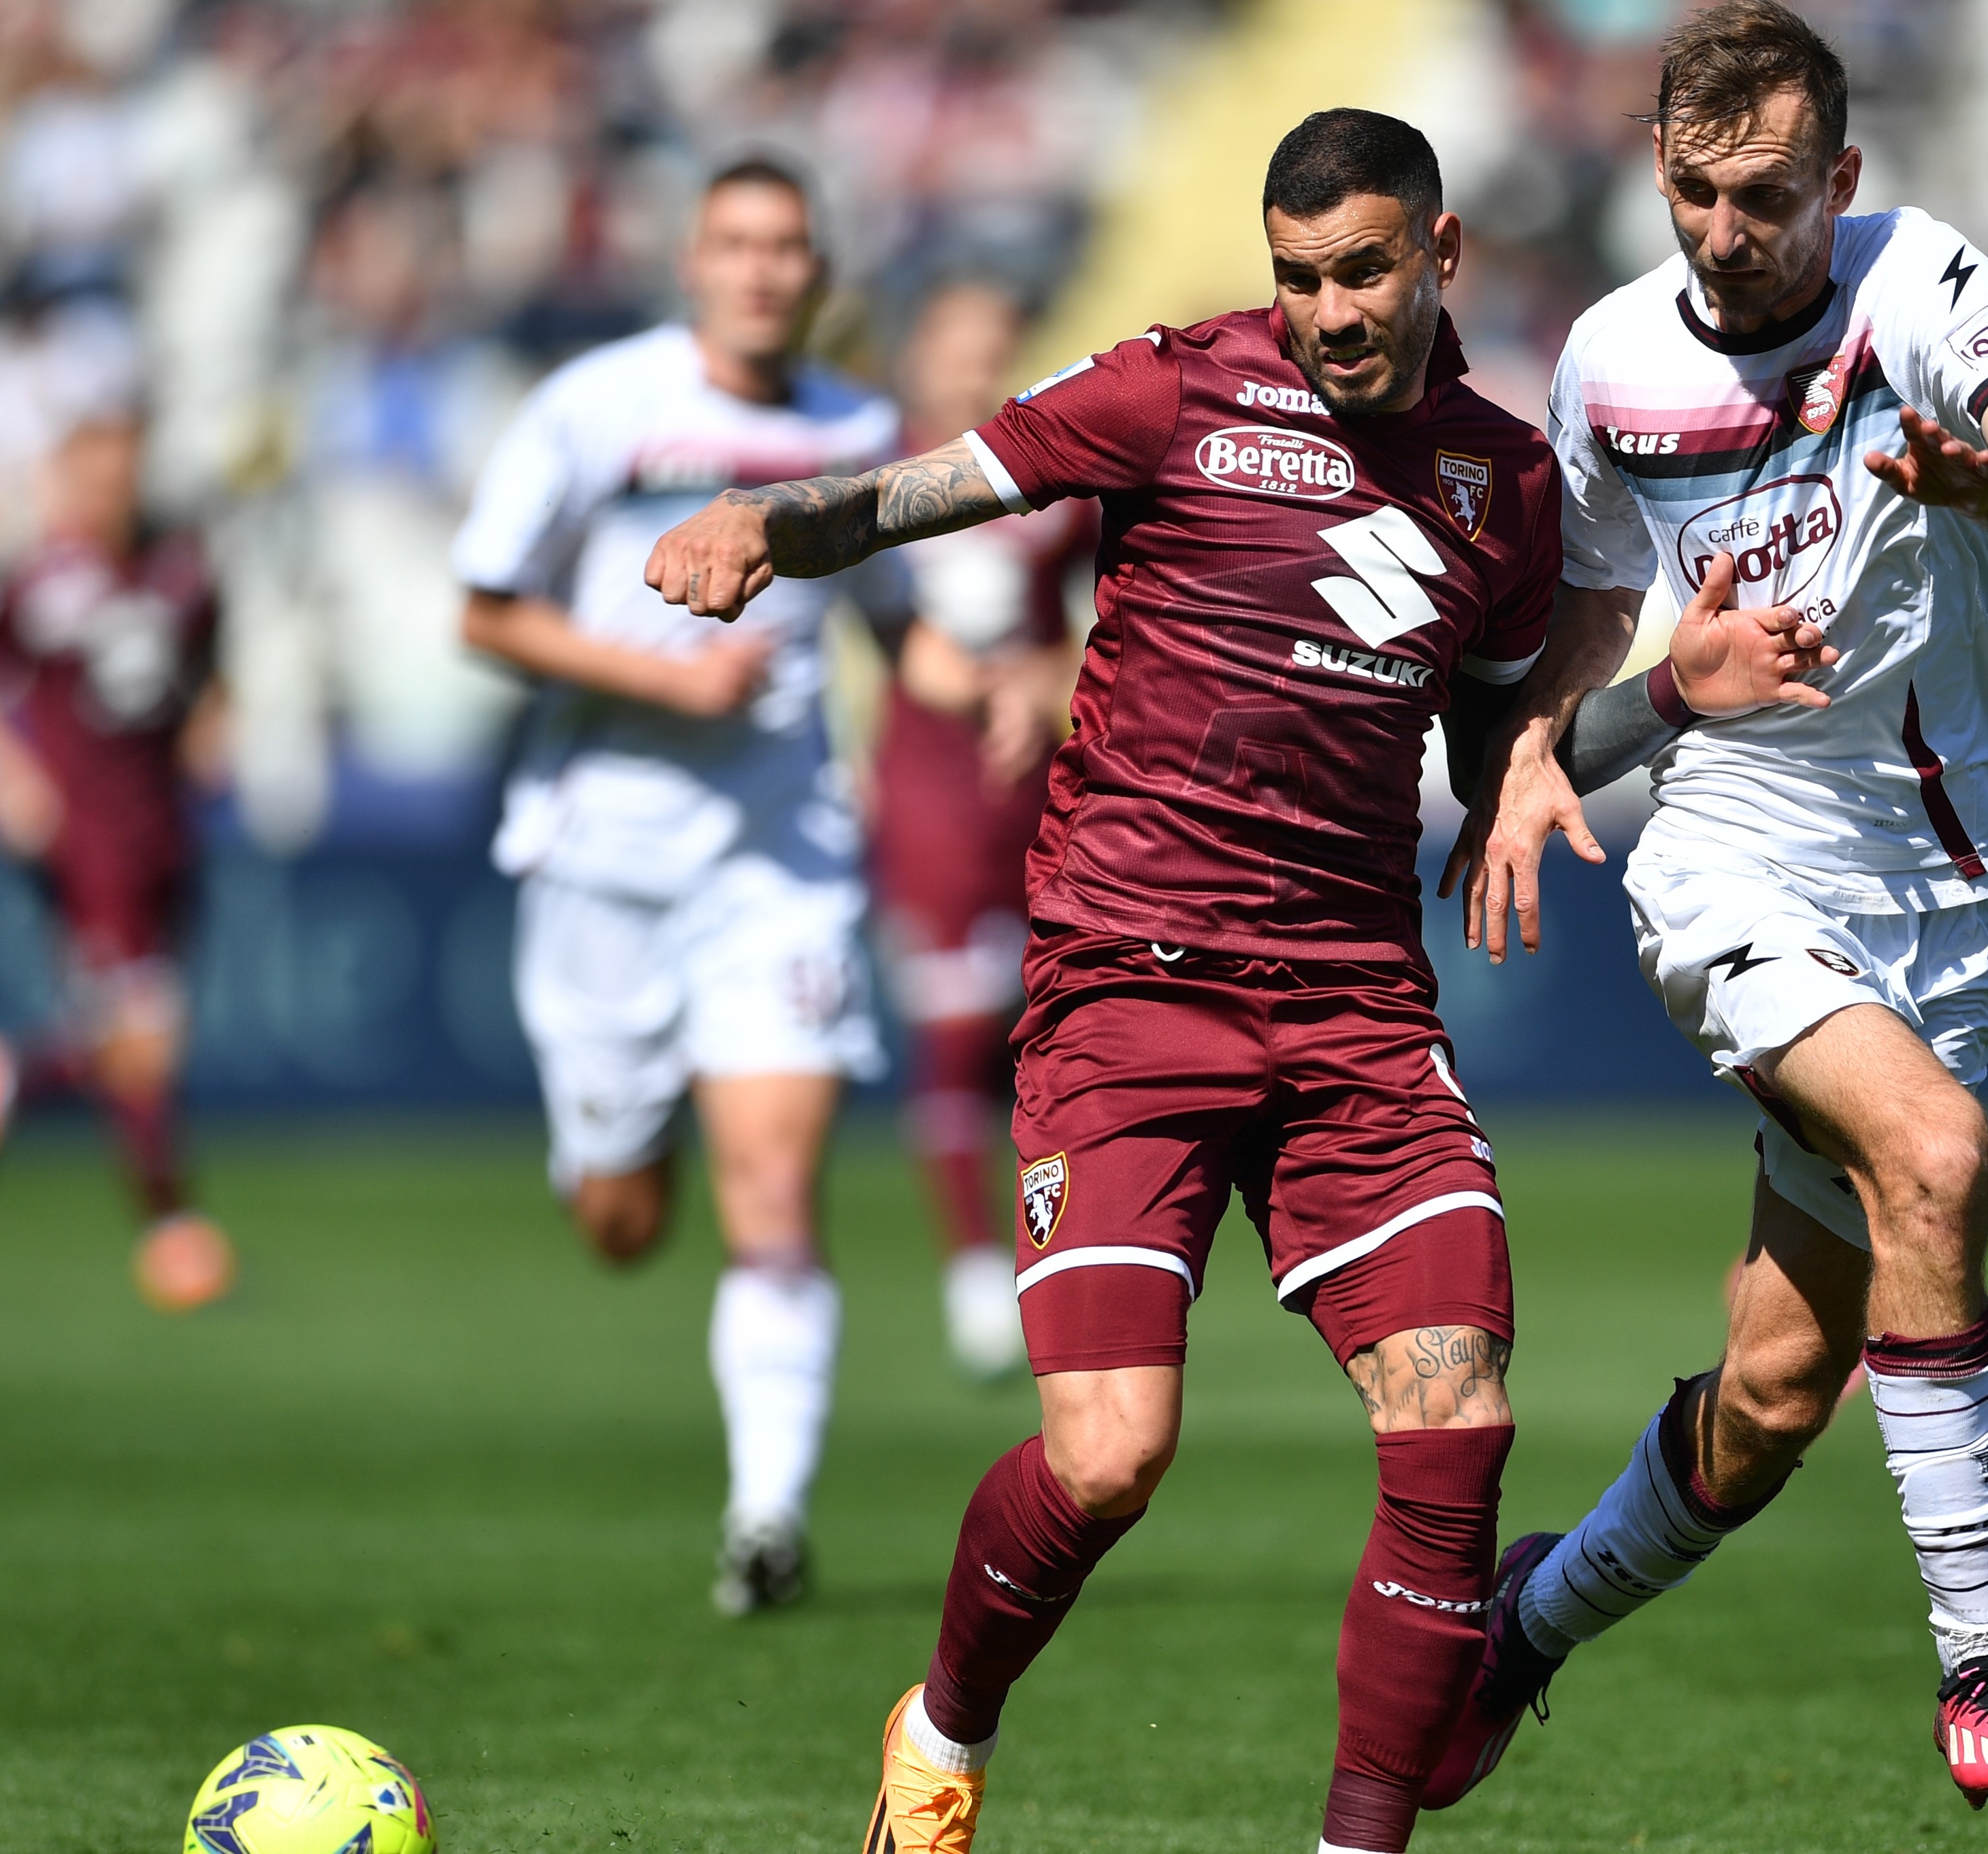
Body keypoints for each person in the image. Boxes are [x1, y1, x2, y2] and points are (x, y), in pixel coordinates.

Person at [649, 110, 1564, 1854]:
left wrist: (1609, 727)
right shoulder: (1174, 389)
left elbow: (1503, 718)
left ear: (1441, 257)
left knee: (1458, 1421)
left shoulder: (1504, 485)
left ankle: (1357, 1842)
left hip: (1358, 1006)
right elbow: (944, 485)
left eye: (1363, 272)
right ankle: (943, 1726)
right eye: (1299, 279)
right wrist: (780, 517)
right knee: (1109, 1459)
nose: (1328, 314)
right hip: (1131, 991)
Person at [1437, 0, 1988, 1812]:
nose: (1733, 235)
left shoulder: (1924, 287)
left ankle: (1522, 1628)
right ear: (1659, 172)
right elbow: (1587, 606)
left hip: (1955, 892)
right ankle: (1986, 1664)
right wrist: (1538, 755)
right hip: (1731, 853)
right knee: (1937, 1160)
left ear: (1844, 181)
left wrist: (1979, 473)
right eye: (1700, 194)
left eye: (1774, 196)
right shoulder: (1608, 359)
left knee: (1780, 1388)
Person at [449, 159, 900, 1618]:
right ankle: (625, 1146)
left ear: (819, 272)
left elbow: (902, 627)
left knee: (774, 1195)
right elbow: (482, 605)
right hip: (602, 857)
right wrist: (664, 676)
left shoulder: (858, 431)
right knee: (623, 1223)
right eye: (739, 245)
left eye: (790, 247)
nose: (766, 272)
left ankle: (764, 1520)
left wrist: (1008, 685)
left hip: (780, 866)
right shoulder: (595, 404)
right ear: (694, 263)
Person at [0, 412, 236, 1314]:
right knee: (142, 1039)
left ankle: (7, 1078)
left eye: (122, 475)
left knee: (139, 1040)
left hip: (165, 832)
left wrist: (213, 731)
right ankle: (169, 1225)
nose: (109, 494)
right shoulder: (39, 583)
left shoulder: (182, 572)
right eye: (92, 478)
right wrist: (5, 782)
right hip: (89, 841)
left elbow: (211, 675)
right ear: (64, 484)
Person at [868, 280, 1090, 1383]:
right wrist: (985, 686)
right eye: (954, 347)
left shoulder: (1059, 477)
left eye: (994, 347)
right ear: (918, 357)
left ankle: (1059, 1258)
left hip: (1049, 789)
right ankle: (970, 1271)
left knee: (1049, 1036)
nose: (972, 369)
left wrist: (1048, 680)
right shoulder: (878, 478)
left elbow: (1120, 619)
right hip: (930, 792)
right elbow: (885, 632)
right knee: (956, 1035)